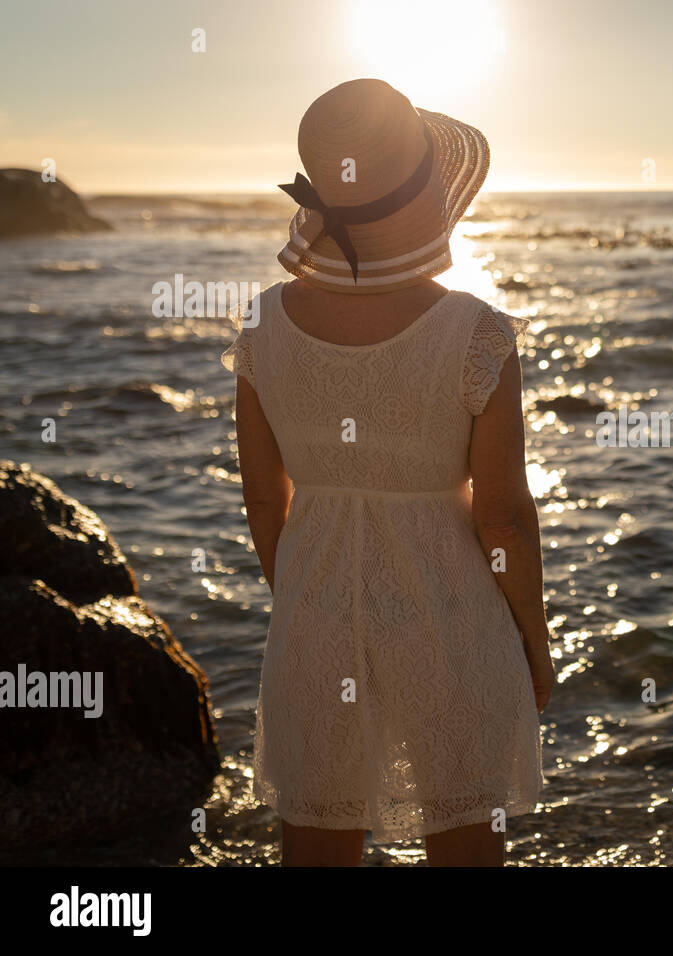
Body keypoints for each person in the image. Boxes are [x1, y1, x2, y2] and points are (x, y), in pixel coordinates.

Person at [221, 78, 553, 867]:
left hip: (314, 605)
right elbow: (502, 516)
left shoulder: (264, 325)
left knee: (316, 834)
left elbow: (265, 500)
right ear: (429, 193)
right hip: (448, 607)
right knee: (462, 829)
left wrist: (304, 595)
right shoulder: (475, 333)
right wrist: (534, 642)